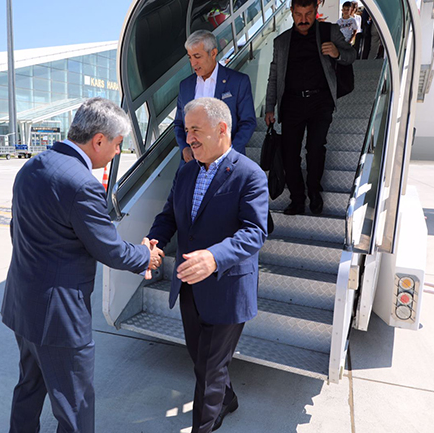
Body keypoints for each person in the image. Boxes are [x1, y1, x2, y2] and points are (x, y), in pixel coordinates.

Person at [1, 97, 164, 433]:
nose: (118, 152)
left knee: (29, 388)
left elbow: (16, 231)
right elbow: (110, 249)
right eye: (118, 144)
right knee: (75, 407)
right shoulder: (82, 184)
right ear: (99, 140)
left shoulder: (31, 167)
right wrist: (145, 255)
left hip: (23, 303)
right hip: (59, 318)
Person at [147, 97, 268, 433]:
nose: (189, 138)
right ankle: (227, 398)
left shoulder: (249, 175)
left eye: (196, 130)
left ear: (222, 129)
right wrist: (153, 241)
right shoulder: (186, 171)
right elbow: (169, 216)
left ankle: (203, 424)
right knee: (200, 358)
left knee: (209, 371)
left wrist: (214, 257)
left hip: (227, 289)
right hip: (189, 286)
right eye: (187, 130)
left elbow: (254, 232)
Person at [265, 0, 356, 215]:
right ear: (291, 12)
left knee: (315, 148)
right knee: (290, 153)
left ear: (316, 11)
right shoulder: (281, 41)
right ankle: (297, 198)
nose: (303, 19)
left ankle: (314, 191)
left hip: (320, 102)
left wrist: (337, 53)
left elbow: (351, 55)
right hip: (291, 103)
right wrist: (269, 107)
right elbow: (274, 76)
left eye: (308, 14)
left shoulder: (329, 31)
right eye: (299, 14)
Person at [175, 30, 256, 163]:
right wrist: (184, 148)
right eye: (190, 57)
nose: (193, 63)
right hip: (193, 164)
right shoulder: (185, 86)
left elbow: (248, 122)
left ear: (213, 53)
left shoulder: (238, 81)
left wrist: (229, 153)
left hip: (228, 163)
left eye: (197, 56)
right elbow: (179, 124)